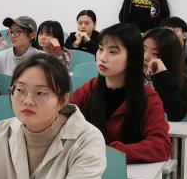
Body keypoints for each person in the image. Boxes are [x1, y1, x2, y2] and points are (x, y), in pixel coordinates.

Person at [69, 23, 171, 163]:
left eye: (113, 52)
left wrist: (113, 152)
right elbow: (63, 122)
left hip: (129, 174)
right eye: (100, 49)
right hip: (86, 168)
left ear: (132, 57)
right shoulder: (89, 89)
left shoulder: (148, 97)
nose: (102, 58)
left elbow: (161, 146)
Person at [143, 27, 187, 122]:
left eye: (155, 53)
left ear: (169, 57)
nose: (145, 57)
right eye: (143, 50)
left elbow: (175, 115)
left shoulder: (178, 77)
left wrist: (161, 74)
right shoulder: (131, 74)